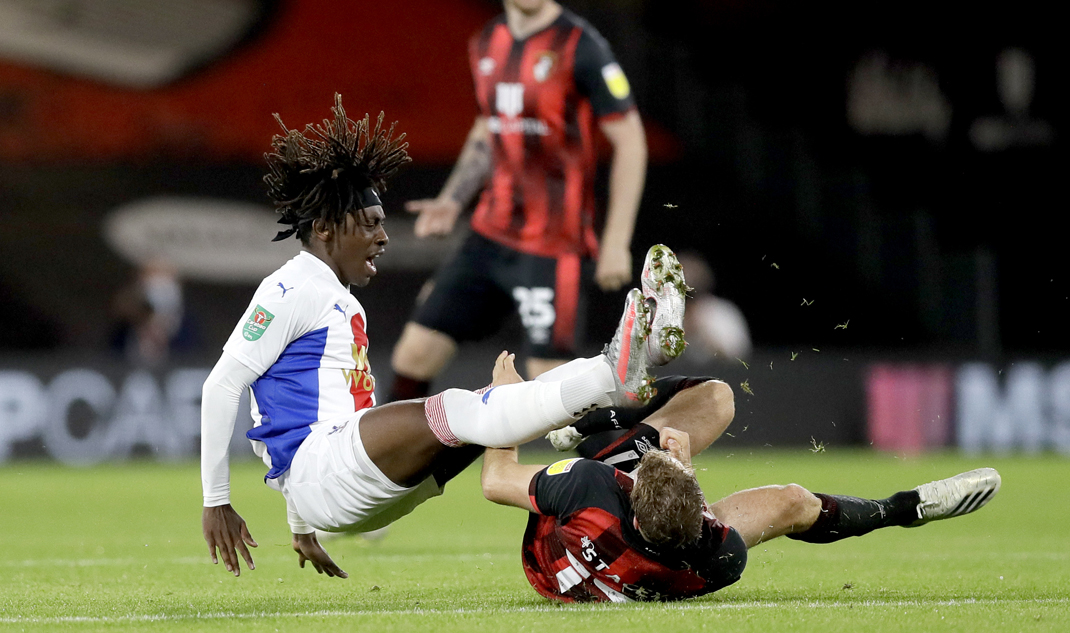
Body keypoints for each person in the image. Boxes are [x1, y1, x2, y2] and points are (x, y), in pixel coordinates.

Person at [199, 95, 679, 579]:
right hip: (329, 475)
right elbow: (222, 385)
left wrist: (301, 525)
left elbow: (287, 417)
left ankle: (630, 360)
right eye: (370, 224)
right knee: (460, 408)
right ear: (324, 228)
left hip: (351, 487)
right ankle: (611, 371)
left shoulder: (333, 295)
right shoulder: (290, 288)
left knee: (493, 408)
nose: (384, 237)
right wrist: (216, 500)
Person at [481, 378, 1002, 602]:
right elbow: (684, 514)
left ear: (630, 494)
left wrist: (503, 400)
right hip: (648, 567)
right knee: (787, 493)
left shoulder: (590, 485)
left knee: (692, 407)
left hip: (551, 563)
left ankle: (590, 418)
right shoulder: (721, 557)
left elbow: (495, 480)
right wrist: (681, 470)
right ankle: (903, 508)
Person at [389, 0, 648, 398]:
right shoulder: (487, 41)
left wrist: (616, 242)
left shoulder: (581, 45)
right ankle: (391, 442)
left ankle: (624, 441)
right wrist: (452, 199)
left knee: (553, 387)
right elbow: (488, 125)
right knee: (415, 353)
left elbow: (630, 140)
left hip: (553, 246)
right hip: (489, 234)